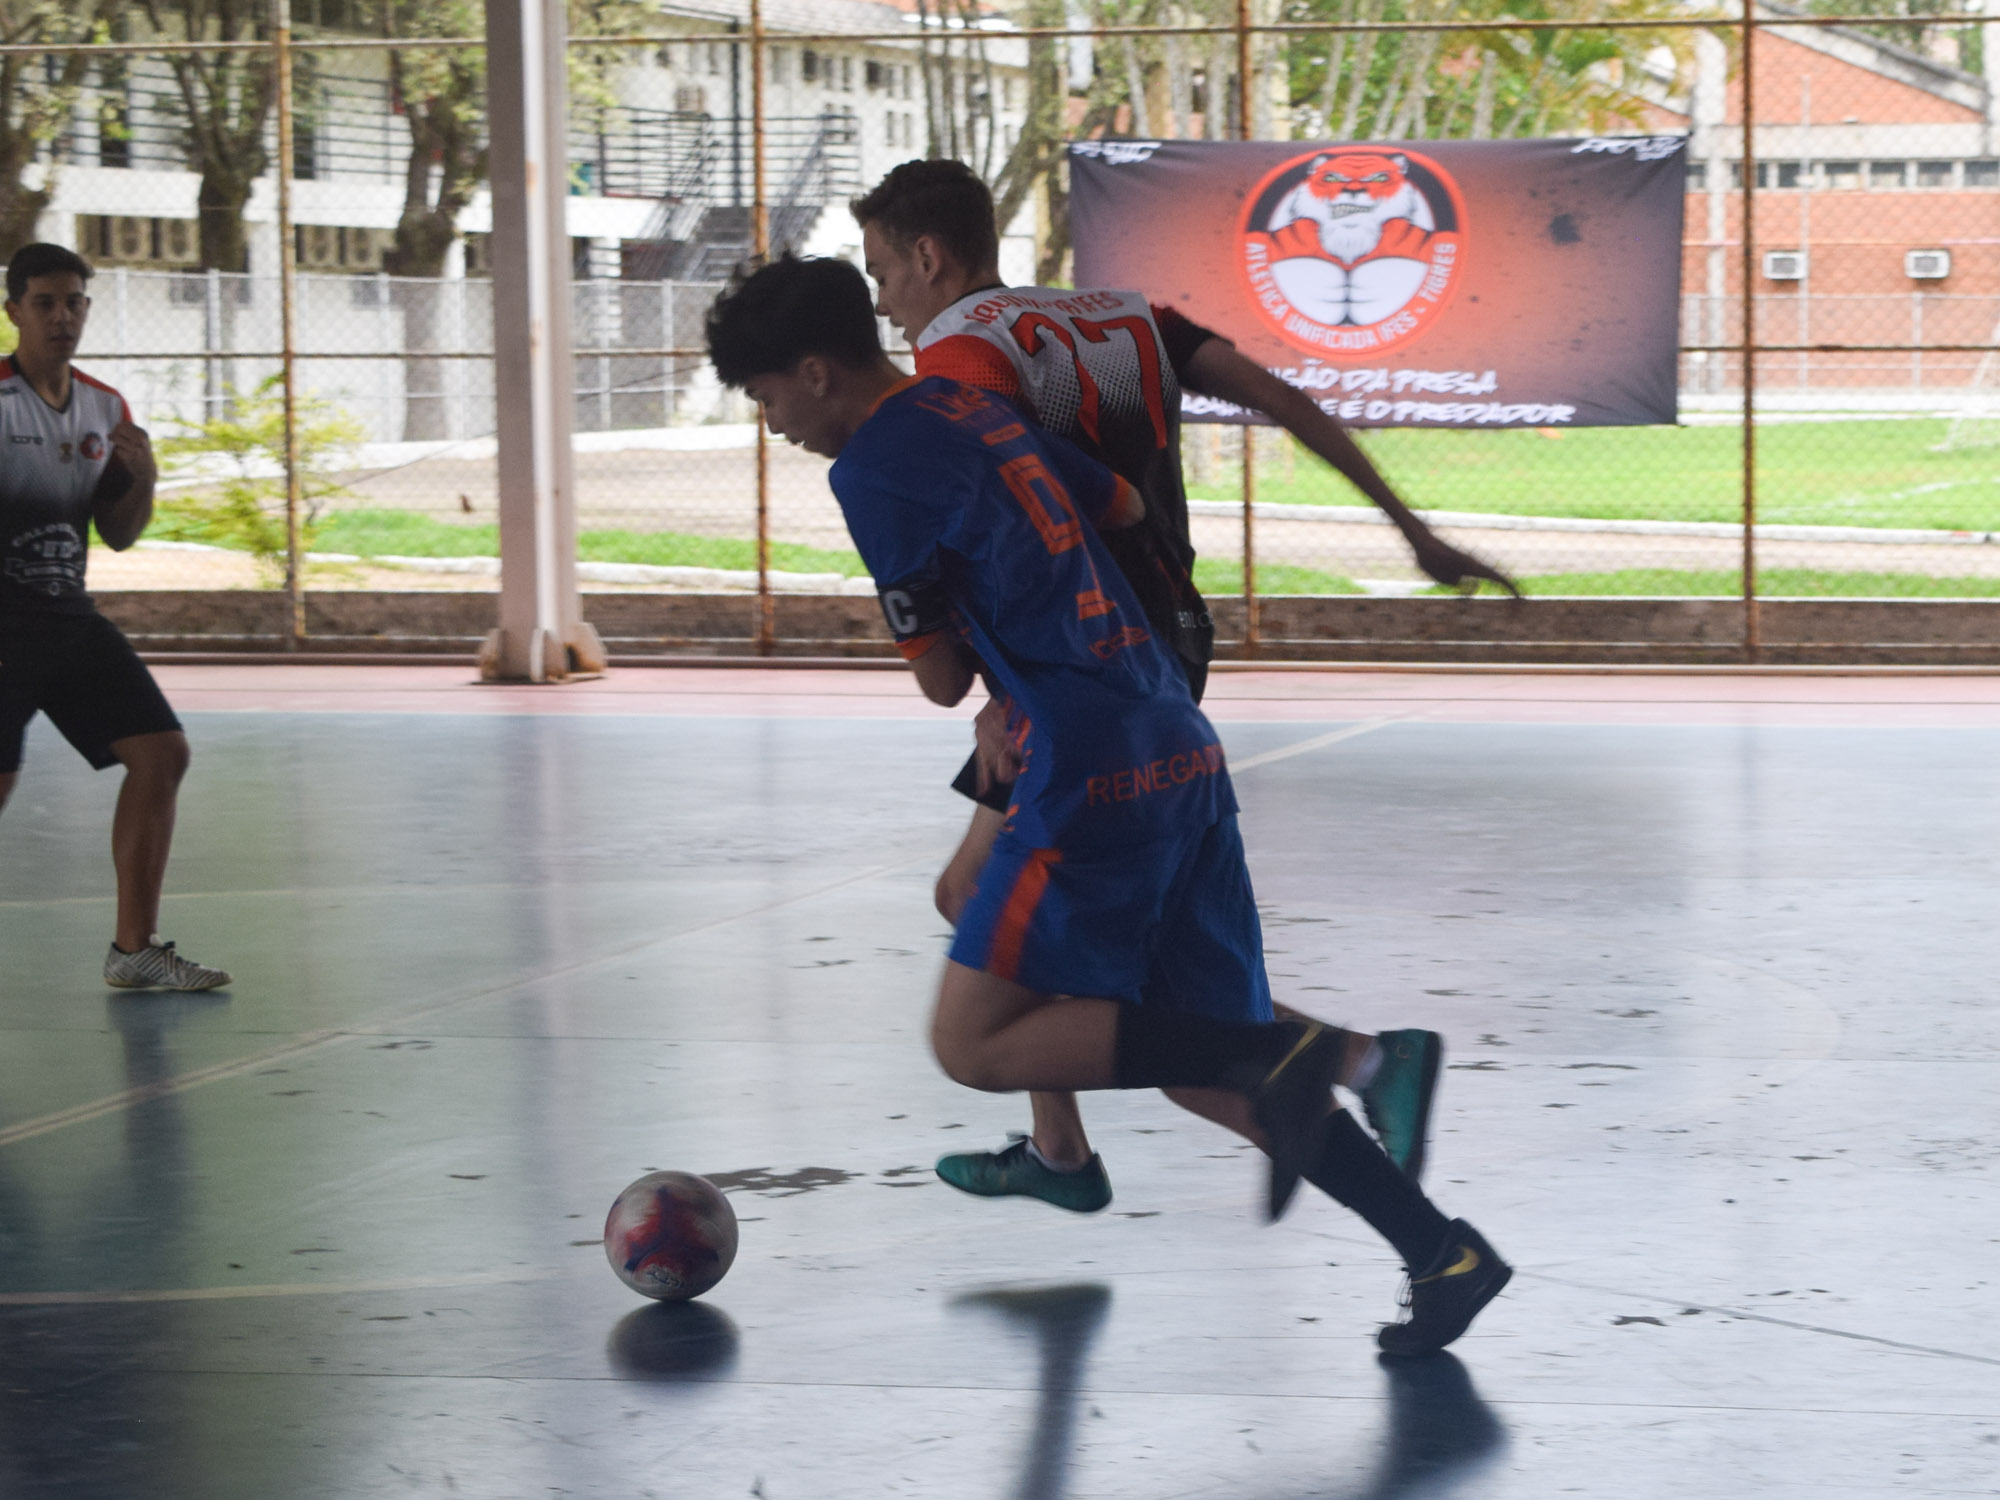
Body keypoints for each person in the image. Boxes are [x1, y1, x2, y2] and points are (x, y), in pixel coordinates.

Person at [704, 254, 1510, 1356]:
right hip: (1170, 734)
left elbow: (938, 678)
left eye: (766, 398)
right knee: (1197, 1064)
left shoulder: (873, 469)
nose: (773, 425)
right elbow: (1122, 502)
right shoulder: (972, 407)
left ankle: (1298, 1059)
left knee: (974, 1042)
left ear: (812, 371)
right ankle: (1442, 1254)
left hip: (1086, 770)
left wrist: (998, 662)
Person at [851, 159, 1507, 1209]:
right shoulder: (1125, 319)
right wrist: (1409, 528)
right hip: (1171, 642)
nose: (884, 302)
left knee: (1055, 950)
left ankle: (1355, 1066)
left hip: (1088, 667)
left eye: (883, 273)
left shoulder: (958, 359)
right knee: (980, 900)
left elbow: (1017, 517)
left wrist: (1004, 697)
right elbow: (1280, 398)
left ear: (929, 256)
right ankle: (1065, 1146)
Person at [0, 243, 230, 992]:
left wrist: (144, 478)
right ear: (14, 311)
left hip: (69, 622)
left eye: (74, 303)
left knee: (161, 753)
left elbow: (119, 534)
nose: (61, 317)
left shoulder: (105, 408)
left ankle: (135, 951)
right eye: (44, 303)